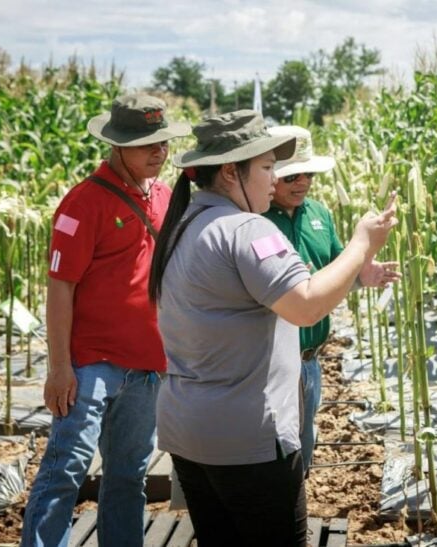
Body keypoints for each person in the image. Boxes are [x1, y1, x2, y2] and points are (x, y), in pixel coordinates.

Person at [149, 110, 397, 547]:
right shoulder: (246, 229)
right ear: (230, 171)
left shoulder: (183, 223)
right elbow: (305, 306)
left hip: (187, 432)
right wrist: (361, 244)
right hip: (249, 438)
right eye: (267, 168)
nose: (274, 178)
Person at [21, 94, 189, 547]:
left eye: (163, 143)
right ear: (116, 147)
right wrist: (59, 368)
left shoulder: (166, 197)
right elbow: (60, 287)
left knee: (128, 476)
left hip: (147, 367)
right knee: (66, 471)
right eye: (148, 144)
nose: (160, 152)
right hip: (90, 365)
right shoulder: (83, 203)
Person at [263, 125, 400, 472]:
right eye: (292, 175)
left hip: (310, 362)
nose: (303, 182)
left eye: (308, 174)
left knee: (302, 451)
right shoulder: (255, 221)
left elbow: (340, 267)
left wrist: (362, 276)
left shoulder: (319, 215)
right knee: (273, 459)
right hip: (269, 365)